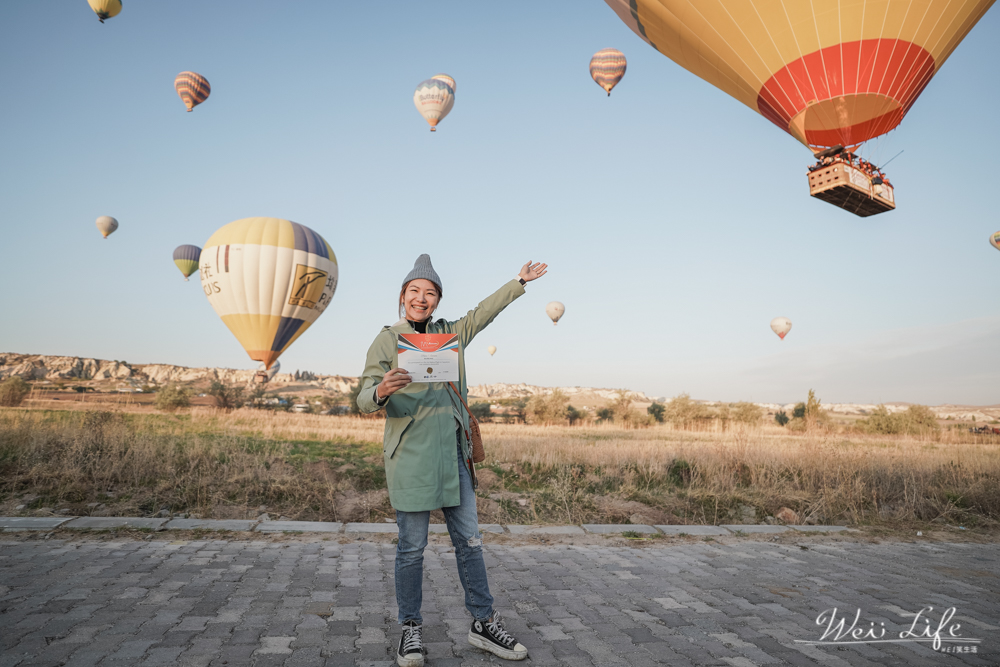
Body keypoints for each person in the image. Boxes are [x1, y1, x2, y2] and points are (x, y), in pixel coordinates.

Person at [357, 254, 548, 666]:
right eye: (414, 292)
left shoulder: (451, 334)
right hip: (410, 458)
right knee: (411, 549)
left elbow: (483, 313)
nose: (421, 299)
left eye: (430, 293)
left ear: (437, 300)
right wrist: (381, 390)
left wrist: (518, 281)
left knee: (471, 543)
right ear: (403, 297)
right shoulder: (387, 340)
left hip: (454, 457)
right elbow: (362, 397)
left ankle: (482, 623)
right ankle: (410, 630)